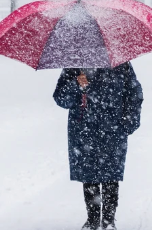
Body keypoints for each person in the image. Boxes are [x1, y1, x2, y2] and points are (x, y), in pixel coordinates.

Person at [54, 63, 144, 230]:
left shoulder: (120, 63)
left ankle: (109, 221)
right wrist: (76, 85)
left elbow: (134, 93)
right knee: (89, 176)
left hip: (113, 128)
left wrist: (129, 121)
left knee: (111, 175)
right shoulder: (74, 64)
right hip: (83, 130)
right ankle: (93, 221)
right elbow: (61, 98)